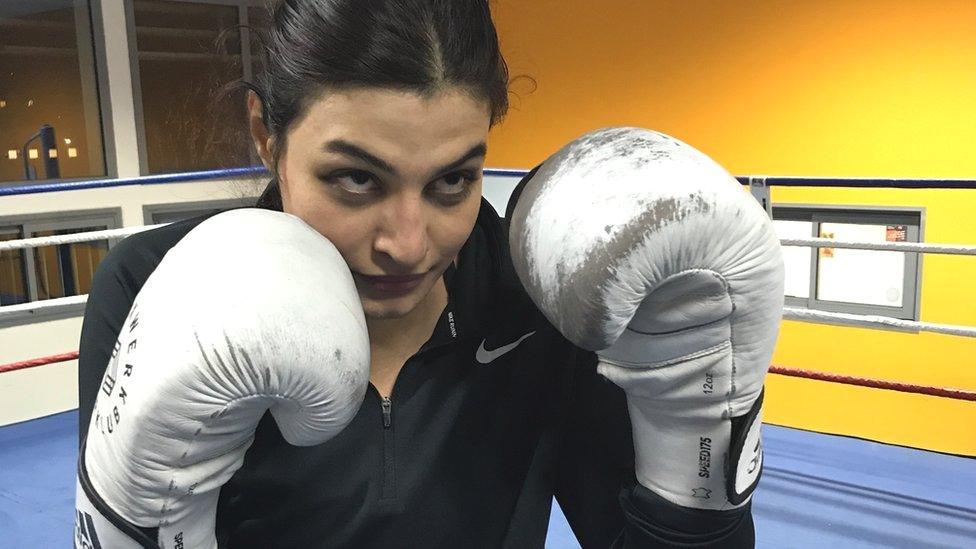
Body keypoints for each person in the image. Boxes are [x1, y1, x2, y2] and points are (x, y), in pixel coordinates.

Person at [74, 1, 783, 547]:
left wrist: (699, 457)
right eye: (355, 178)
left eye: (453, 180)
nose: (408, 244)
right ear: (267, 134)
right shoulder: (154, 284)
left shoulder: (535, 296)